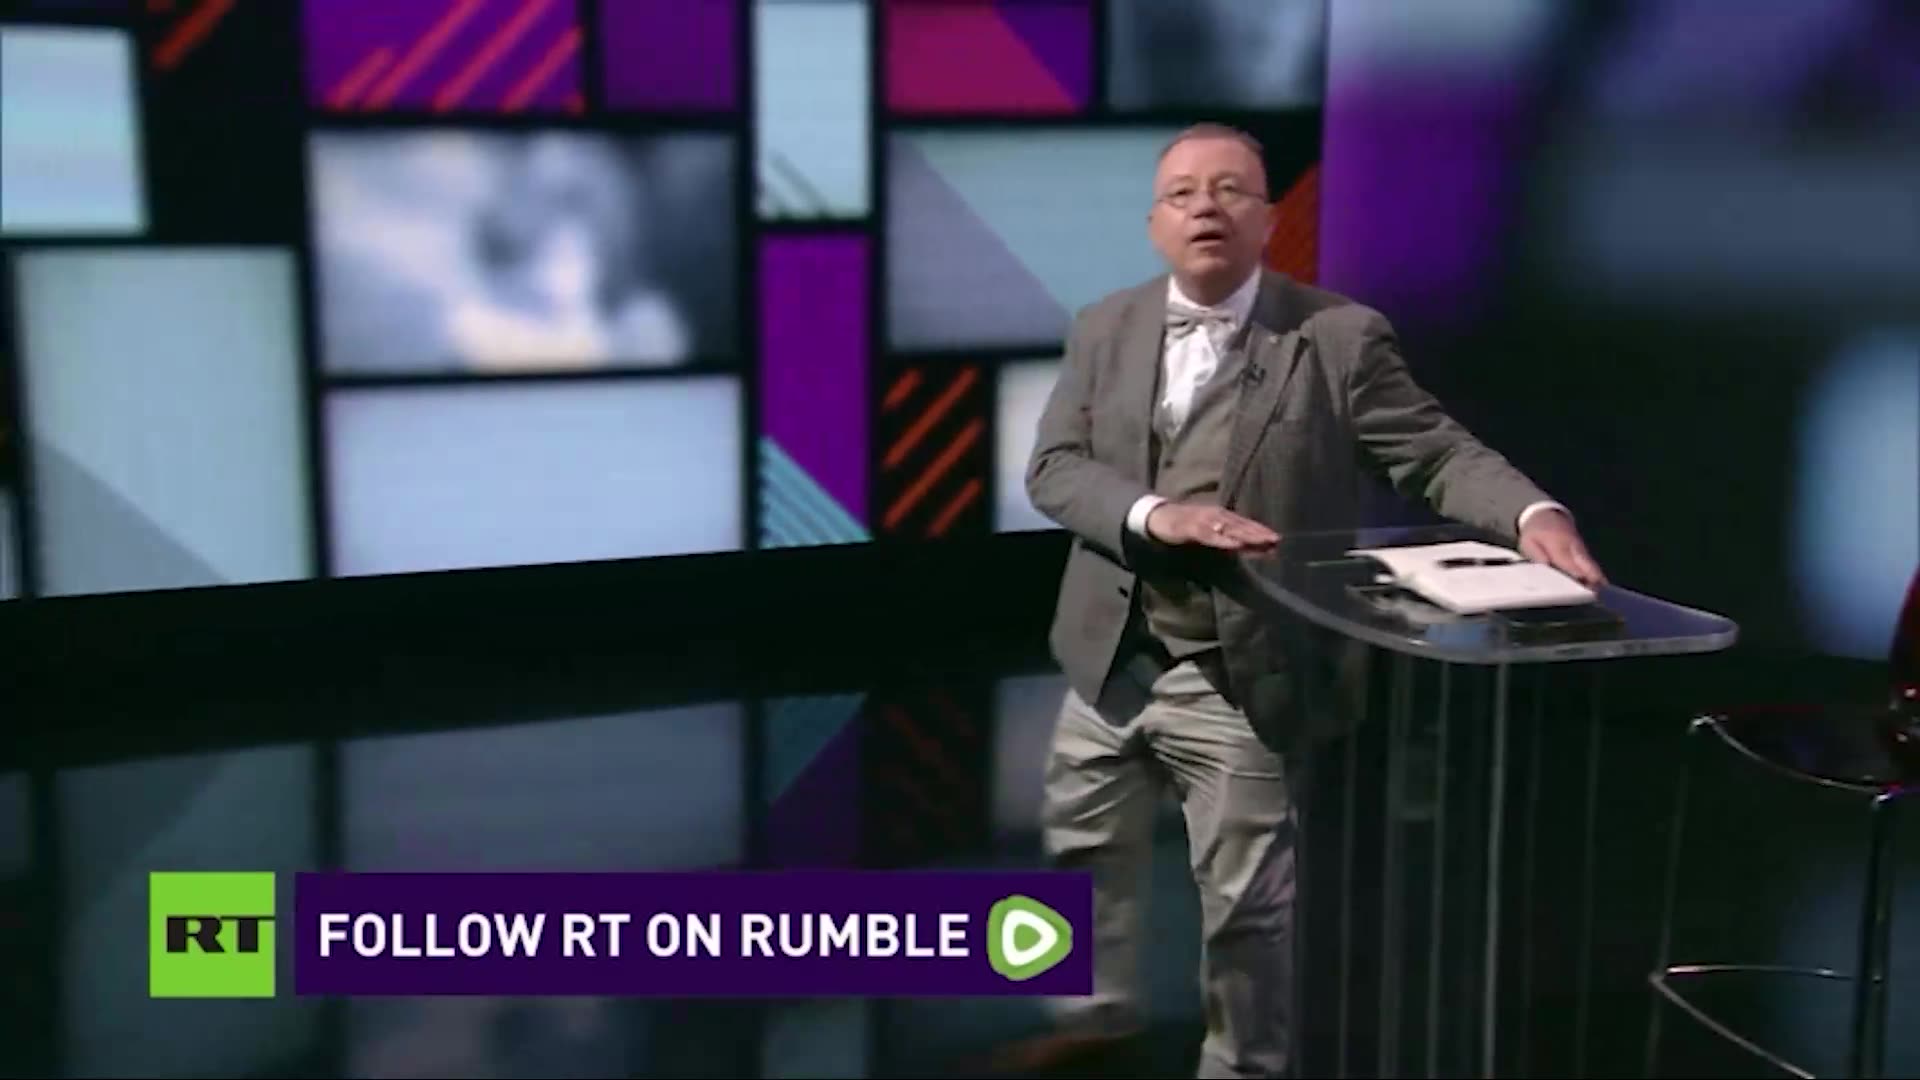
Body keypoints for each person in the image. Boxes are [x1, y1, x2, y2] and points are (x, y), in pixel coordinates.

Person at [1011, 123, 1606, 1079]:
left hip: (1243, 669)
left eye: (1230, 190)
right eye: (1183, 193)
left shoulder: (1337, 337)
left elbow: (1436, 453)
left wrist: (1531, 511)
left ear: (1269, 219)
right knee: (1082, 849)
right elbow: (1055, 469)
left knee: (1247, 906)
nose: (1206, 208)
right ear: (1156, 223)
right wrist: (1160, 516)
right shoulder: (1103, 326)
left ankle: (1243, 1067)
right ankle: (1093, 1025)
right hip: (1109, 650)